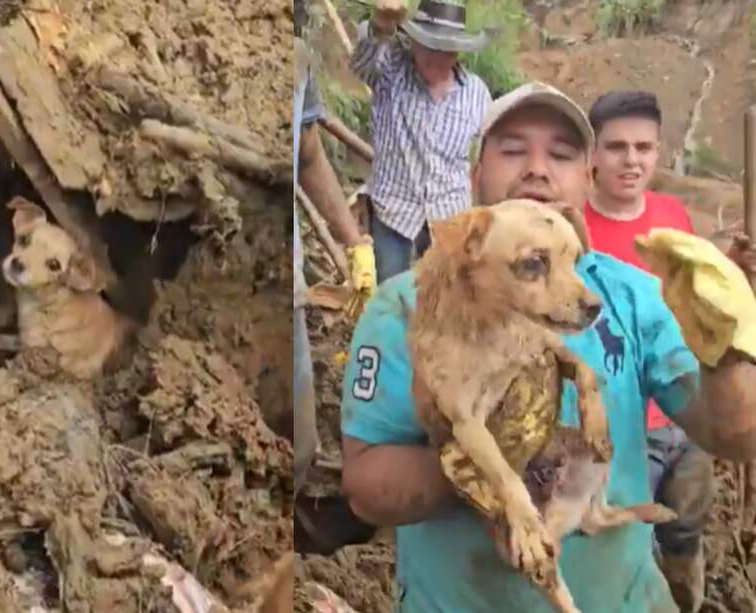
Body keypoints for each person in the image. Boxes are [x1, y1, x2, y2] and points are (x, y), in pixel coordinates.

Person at [339, 81, 756, 612]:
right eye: (512, 150)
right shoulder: (402, 309)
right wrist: (493, 459)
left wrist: (730, 345)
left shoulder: (634, 297)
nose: (537, 168)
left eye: (560, 154)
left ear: (587, 181)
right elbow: (366, 489)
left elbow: (734, 436)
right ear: (475, 179)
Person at [584, 90, 713, 612]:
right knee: (620, 541)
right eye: (616, 147)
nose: (631, 160)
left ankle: (686, 601)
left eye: (643, 147)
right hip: (619, 430)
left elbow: (695, 297)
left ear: (659, 151)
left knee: (685, 533)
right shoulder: (573, 232)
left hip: (687, 414)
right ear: (591, 153)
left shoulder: (672, 215)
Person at [349, 0, 492, 283]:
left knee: (447, 296)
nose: (438, 57)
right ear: (414, 42)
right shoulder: (390, 71)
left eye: (447, 50)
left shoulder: (476, 93)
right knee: (391, 297)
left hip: (450, 218)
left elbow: (490, 151)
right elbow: (362, 61)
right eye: (431, 47)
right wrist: (380, 25)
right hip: (394, 214)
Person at [294, 7, 377, 493]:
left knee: (300, 443)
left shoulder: (299, 59)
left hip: (290, 278)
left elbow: (307, 151)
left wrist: (355, 243)